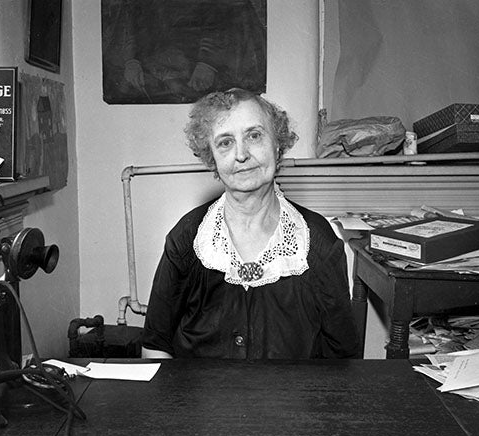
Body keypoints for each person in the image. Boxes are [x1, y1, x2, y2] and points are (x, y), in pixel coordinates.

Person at [142, 88, 359, 359]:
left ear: (277, 144)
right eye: (225, 143)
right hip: (201, 401)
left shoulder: (317, 242)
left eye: (254, 136)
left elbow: (343, 358)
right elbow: (155, 345)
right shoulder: (187, 238)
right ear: (212, 157)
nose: (241, 154)